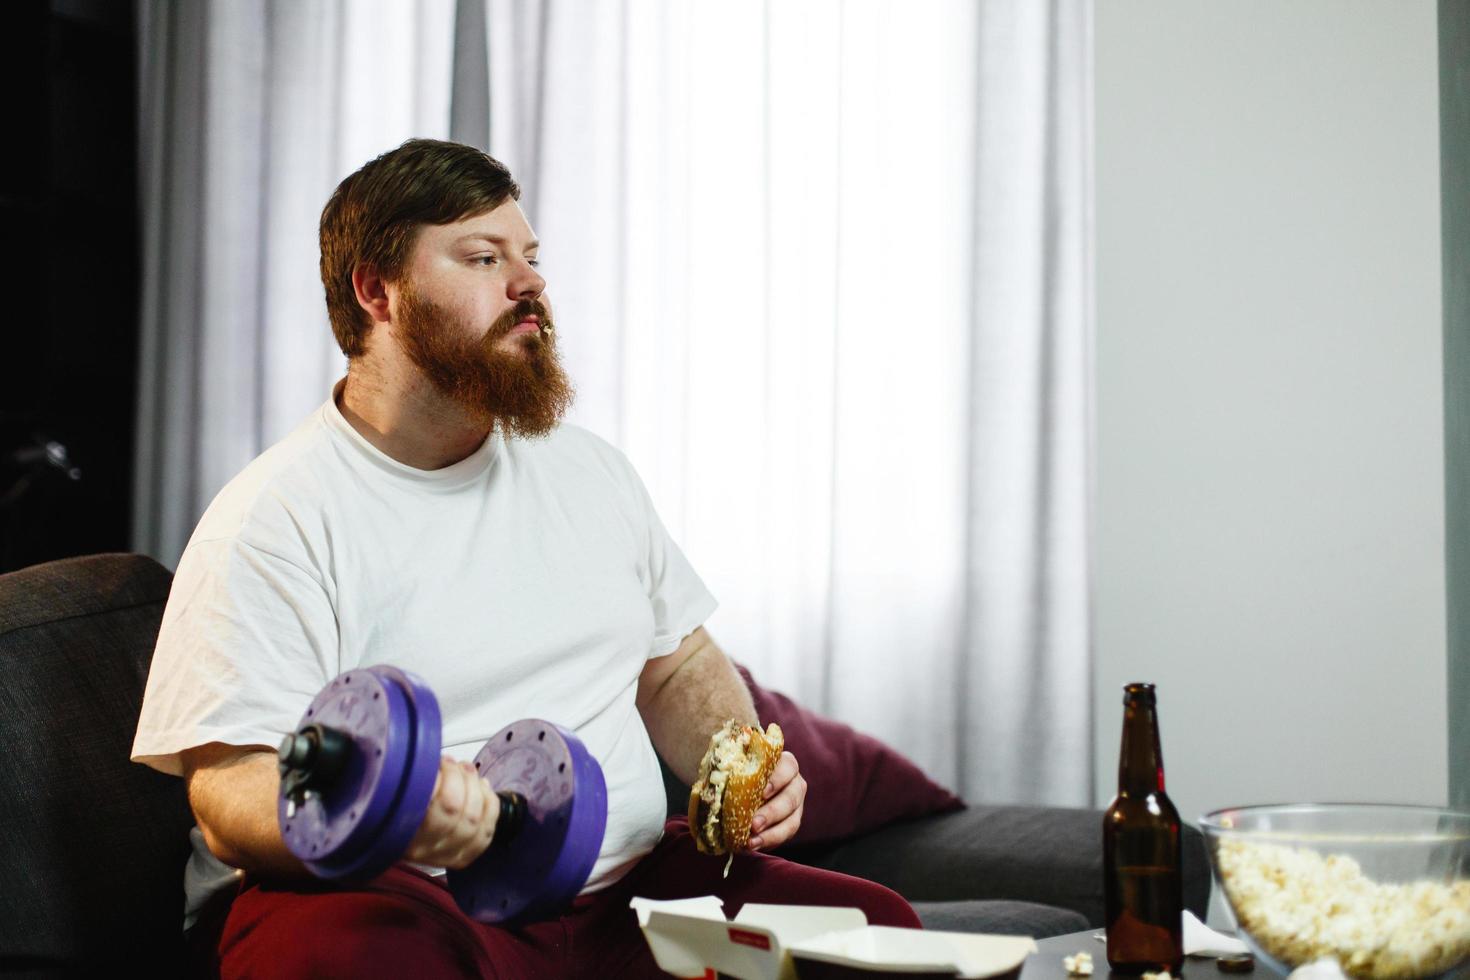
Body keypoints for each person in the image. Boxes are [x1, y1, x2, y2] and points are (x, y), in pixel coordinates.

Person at [131, 138, 920, 978]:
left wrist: (743, 763)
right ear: (377, 292)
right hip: (408, 898)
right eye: (483, 257)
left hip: (632, 899)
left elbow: (675, 661)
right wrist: (388, 816)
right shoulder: (271, 520)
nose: (531, 281)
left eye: (531, 257)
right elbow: (227, 788)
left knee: (876, 929)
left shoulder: (589, 473)